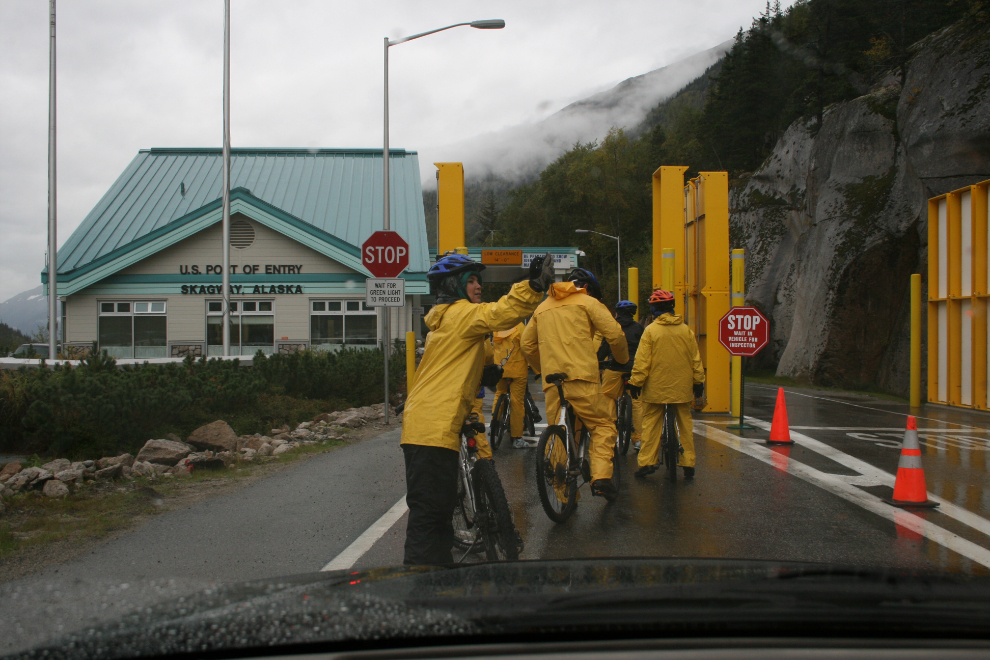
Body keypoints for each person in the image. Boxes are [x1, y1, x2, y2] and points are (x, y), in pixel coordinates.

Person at [400, 251, 554, 565]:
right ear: (453, 285)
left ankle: (438, 578)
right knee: (428, 516)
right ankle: (417, 589)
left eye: (479, 281)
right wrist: (534, 285)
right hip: (432, 426)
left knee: (438, 512)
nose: (478, 286)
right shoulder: (459, 314)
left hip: (433, 421)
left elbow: (450, 366)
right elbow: (503, 312)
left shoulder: (450, 321)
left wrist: (484, 374)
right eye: (471, 281)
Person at [521, 268, 628, 501]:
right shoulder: (588, 302)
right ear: (586, 288)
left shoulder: (542, 307)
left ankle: (564, 496)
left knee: (560, 434)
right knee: (602, 425)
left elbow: (526, 345)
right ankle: (600, 477)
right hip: (583, 378)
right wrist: (622, 360)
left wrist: (541, 369)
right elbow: (615, 335)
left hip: (553, 383)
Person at [626, 289, 705, 478]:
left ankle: (647, 463)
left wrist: (636, 383)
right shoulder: (686, 330)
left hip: (656, 388)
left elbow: (642, 361)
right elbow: (696, 359)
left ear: (653, 309)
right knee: (684, 424)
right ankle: (688, 463)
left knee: (651, 423)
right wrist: (698, 381)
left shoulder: (651, 331)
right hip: (682, 387)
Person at [599, 300, 644, 451]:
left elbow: (605, 348)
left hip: (615, 367)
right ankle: (638, 439)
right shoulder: (639, 328)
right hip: (634, 368)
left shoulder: (613, 327)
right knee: (637, 401)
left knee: (608, 397)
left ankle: (609, 436)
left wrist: (597, 361)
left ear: (616, 313)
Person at [492, 322, 536, 448]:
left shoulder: (497, 326)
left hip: (500, 368)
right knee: (517, 402)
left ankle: (494, 424)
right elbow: (527, 347)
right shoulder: (520, 327)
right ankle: (517, 438)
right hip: (517, 369)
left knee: (499, 393)